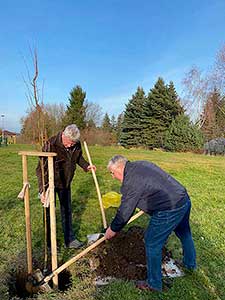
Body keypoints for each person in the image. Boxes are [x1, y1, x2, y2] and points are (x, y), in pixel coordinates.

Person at [105, 155, 196, 292]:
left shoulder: (131, 181)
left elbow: (125, 211)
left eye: (112, 173)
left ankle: (154, 284)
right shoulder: (141, 164)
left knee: (152, 242)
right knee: (184, 233)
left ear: (119, 168)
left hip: (168, 209)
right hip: (182, 199)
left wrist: (112, 229)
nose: (113, 177)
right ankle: (190, 264)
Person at [36, 124, 96, 249]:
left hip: (66, 183)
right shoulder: (51, 144)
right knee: (48, 213)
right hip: (50, 183)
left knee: (67, 211)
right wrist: (42, 190)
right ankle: (49, 243)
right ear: (63, 134)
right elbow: (40, 169)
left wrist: (86, 166)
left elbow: (78, 157)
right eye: (68, 143)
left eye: (72, 144)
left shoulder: (76, 144)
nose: (70, 146)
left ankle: (70, 240)